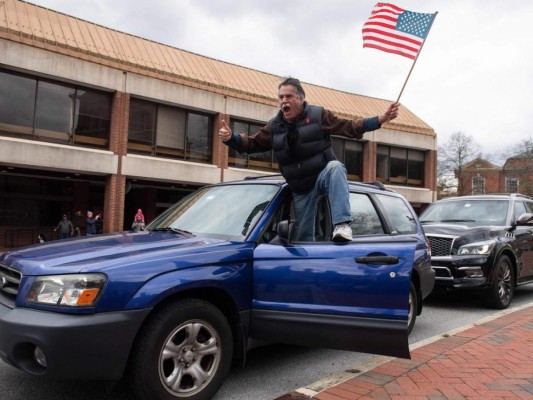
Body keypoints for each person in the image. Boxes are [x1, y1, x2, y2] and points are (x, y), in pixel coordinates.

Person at [219, 77, 399, 242]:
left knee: (336, 167)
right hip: (301, 189)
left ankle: (342, 225)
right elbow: (252, 144)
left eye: (288, 96)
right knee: (304, 238)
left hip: (322, 177)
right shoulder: (274, 127)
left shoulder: (318, 116)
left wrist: (381, 119)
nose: (283, 101)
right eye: (280, 97)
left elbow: (349, 127)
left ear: (301, 99)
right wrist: (231, 138)